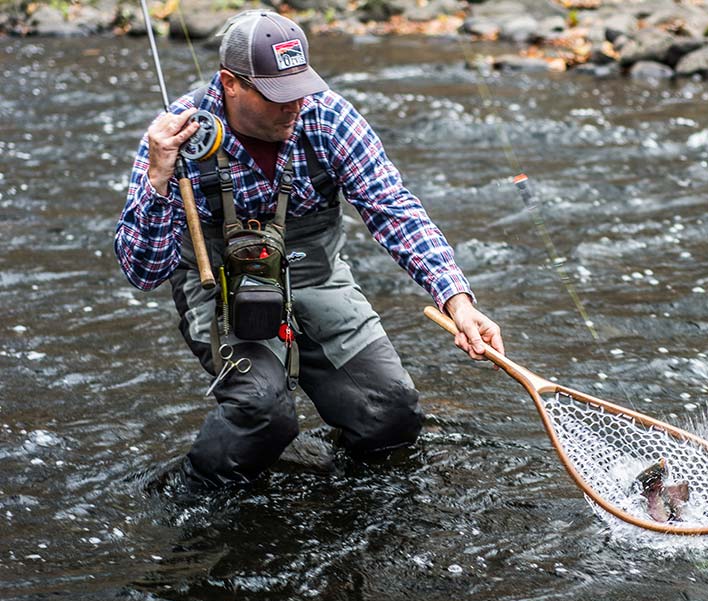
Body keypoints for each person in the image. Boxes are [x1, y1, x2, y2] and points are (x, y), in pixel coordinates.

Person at [115, 10, 503, 489]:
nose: (294, 104)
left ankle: (342, 490)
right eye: (278, 94)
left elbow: (395, 210)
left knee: (390, 414)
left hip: (315, 273)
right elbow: (143, 272)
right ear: (230, 84)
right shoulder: (174, 140)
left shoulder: (327, 115)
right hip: (219, 285)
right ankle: (188, 494)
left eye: (300, 86)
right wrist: (158, 179)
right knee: (263, 413)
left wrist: (457, 301)